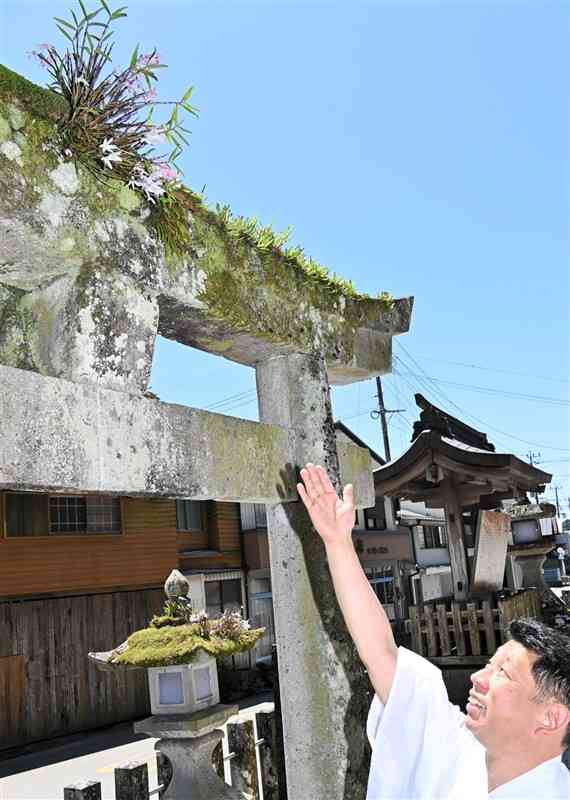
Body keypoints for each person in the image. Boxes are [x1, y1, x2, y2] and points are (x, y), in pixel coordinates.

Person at [297, 463, 570, 799]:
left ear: (552, 716)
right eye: (489, 665)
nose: (477, 679)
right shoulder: (452, 747)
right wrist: (337, 542)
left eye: (504, 674)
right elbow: (381, 654)